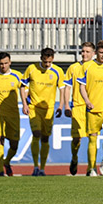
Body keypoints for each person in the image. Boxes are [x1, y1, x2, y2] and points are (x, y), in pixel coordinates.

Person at [21, 48, 65, 177]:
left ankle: (42, 168)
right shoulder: (32, 69)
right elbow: (22, 86)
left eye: (49, 62)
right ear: (41, 58)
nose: (47, 65)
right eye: (45, 62)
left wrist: (61, 106)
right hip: (34, 107)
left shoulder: (57, 71)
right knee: (36, 133)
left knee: (45, 138)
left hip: (49, 109)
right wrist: (24, 104)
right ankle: (35, 166)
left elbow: (62, 89)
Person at [78, 41, 103, 177]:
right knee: (93, 139)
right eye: (101, 53)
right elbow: (81, 86)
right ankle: (91, 168)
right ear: (96, 53)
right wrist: (87, 101)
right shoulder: (88, 66)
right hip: (94, 109)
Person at [63, 42, 96, 175]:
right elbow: (67, 87)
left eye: (88, 52)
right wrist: (66, 105)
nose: (84, 54)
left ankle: (91, 167)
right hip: (77, 106)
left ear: (93, 53)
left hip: (93, 108)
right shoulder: (73, 68)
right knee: (77, 139)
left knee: (92, 138)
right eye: (83, 51)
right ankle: (75, 158)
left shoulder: (96, 67)